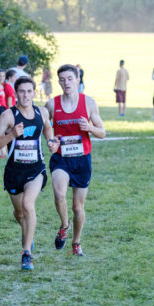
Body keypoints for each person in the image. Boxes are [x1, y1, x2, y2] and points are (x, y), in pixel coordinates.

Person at [0, 77, 55, 270]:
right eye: (21, 91)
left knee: (28, 205)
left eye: (29, 91)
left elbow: (48, 128)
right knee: (19, 213)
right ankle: (27, 235)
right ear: (16, 93)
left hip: (36, 169)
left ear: (34, 92)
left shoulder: (41, 112)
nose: (25, 95)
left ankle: (26, 253)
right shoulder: (9, 116)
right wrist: (11, 135)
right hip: (14, 172)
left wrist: (51, 141)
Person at [46, 64, 106, 256]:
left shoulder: (89, 103)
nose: (66, 83)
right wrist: (51, 142)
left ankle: (76, 242)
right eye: (62, 79)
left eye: (70, 79)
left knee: (77, 207)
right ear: (59, 82)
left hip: (82, 160)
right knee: (59, 194)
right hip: (61, 159)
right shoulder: (52, 104)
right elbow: (46, 129)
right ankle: (64, 226)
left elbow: (102, 132)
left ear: (78, 80)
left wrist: (89, 128)